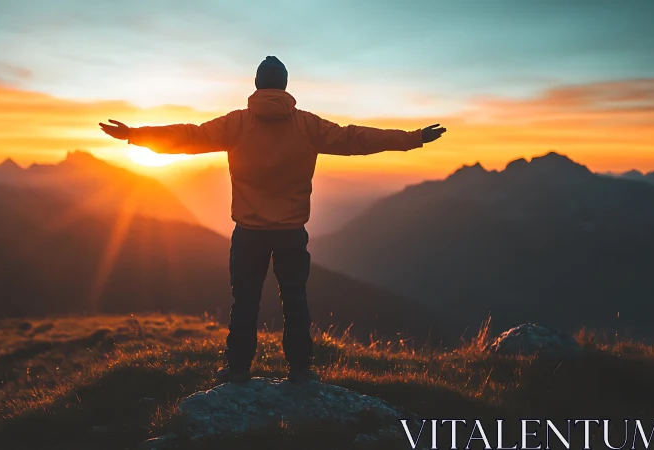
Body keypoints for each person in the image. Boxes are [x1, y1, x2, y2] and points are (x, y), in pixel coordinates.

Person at [99, 56, 446, 383]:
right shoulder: (307, 125)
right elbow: (356, 138)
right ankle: (300, 370)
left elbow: (190, 136)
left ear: (256, 85)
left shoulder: (237, 123)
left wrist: (136, 134)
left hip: (248, 233)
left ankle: (236, 370)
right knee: (295, 301)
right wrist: (412, 138)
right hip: (292, 233)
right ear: (284, 86)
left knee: (245, 302)